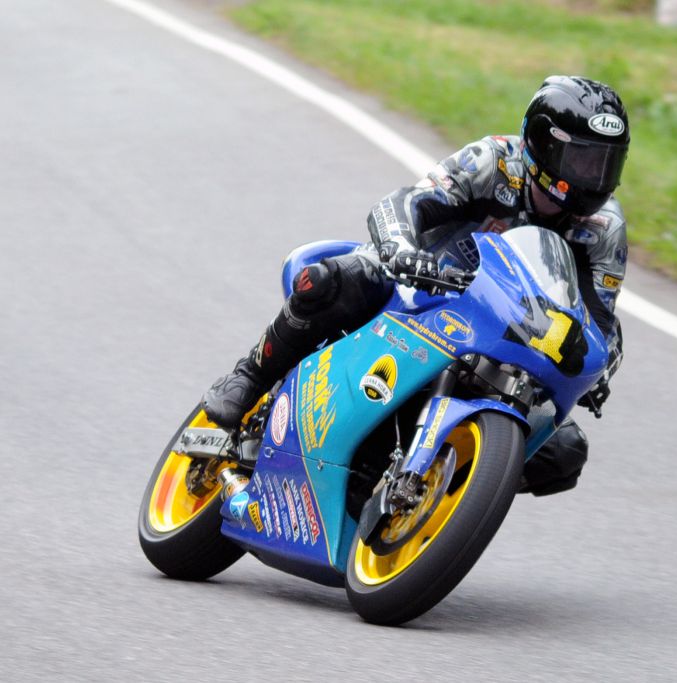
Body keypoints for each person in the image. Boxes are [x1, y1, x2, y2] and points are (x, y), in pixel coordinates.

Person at [203, 75, 629, 496]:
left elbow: (600, 323)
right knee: (329, 282)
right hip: (418, 290)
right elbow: (405, 202)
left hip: (505, 344)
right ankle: (249, 377)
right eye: (583, 161)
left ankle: (445, 494)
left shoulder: (604, 228)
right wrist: (401, 250)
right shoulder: (495, 162)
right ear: (542, 142)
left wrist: (597, 369)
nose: (594, 177)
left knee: (563, 452)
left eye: (606, 164)